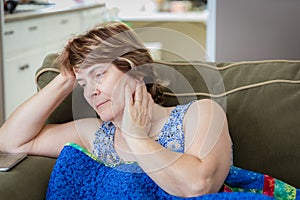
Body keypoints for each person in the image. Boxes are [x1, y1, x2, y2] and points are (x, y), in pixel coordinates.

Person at [0, 21, 234, 198]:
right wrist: (65, 79)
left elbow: (199, 185)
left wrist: (136, 137)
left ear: (136, 69)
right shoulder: (95, 134)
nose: (90, 91)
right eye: (83, 84)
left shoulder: (200, 113)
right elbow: (11, 141)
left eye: (99, 75)